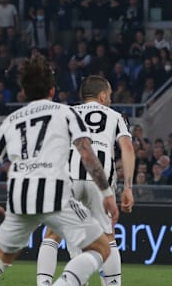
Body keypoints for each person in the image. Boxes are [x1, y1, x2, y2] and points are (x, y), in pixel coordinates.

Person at [0, 56, 119, 286]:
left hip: (19, 198)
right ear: (52, 89)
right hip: (55, 195)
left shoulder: (11, 120)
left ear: (23, 91)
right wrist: (107, 193)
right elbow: (87, 155)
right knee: (101, 248)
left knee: (0, 257)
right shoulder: (65, 113)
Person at [36, 75, 135, 286]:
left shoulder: (67, 113)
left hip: (69, 179)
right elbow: (127, 148)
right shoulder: (116, 116)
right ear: (102, 96)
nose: (109, 99)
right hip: (100, 181)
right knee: (107, 236)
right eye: (109, 95)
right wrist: (128, 187)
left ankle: (44, 283)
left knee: (52, 233)